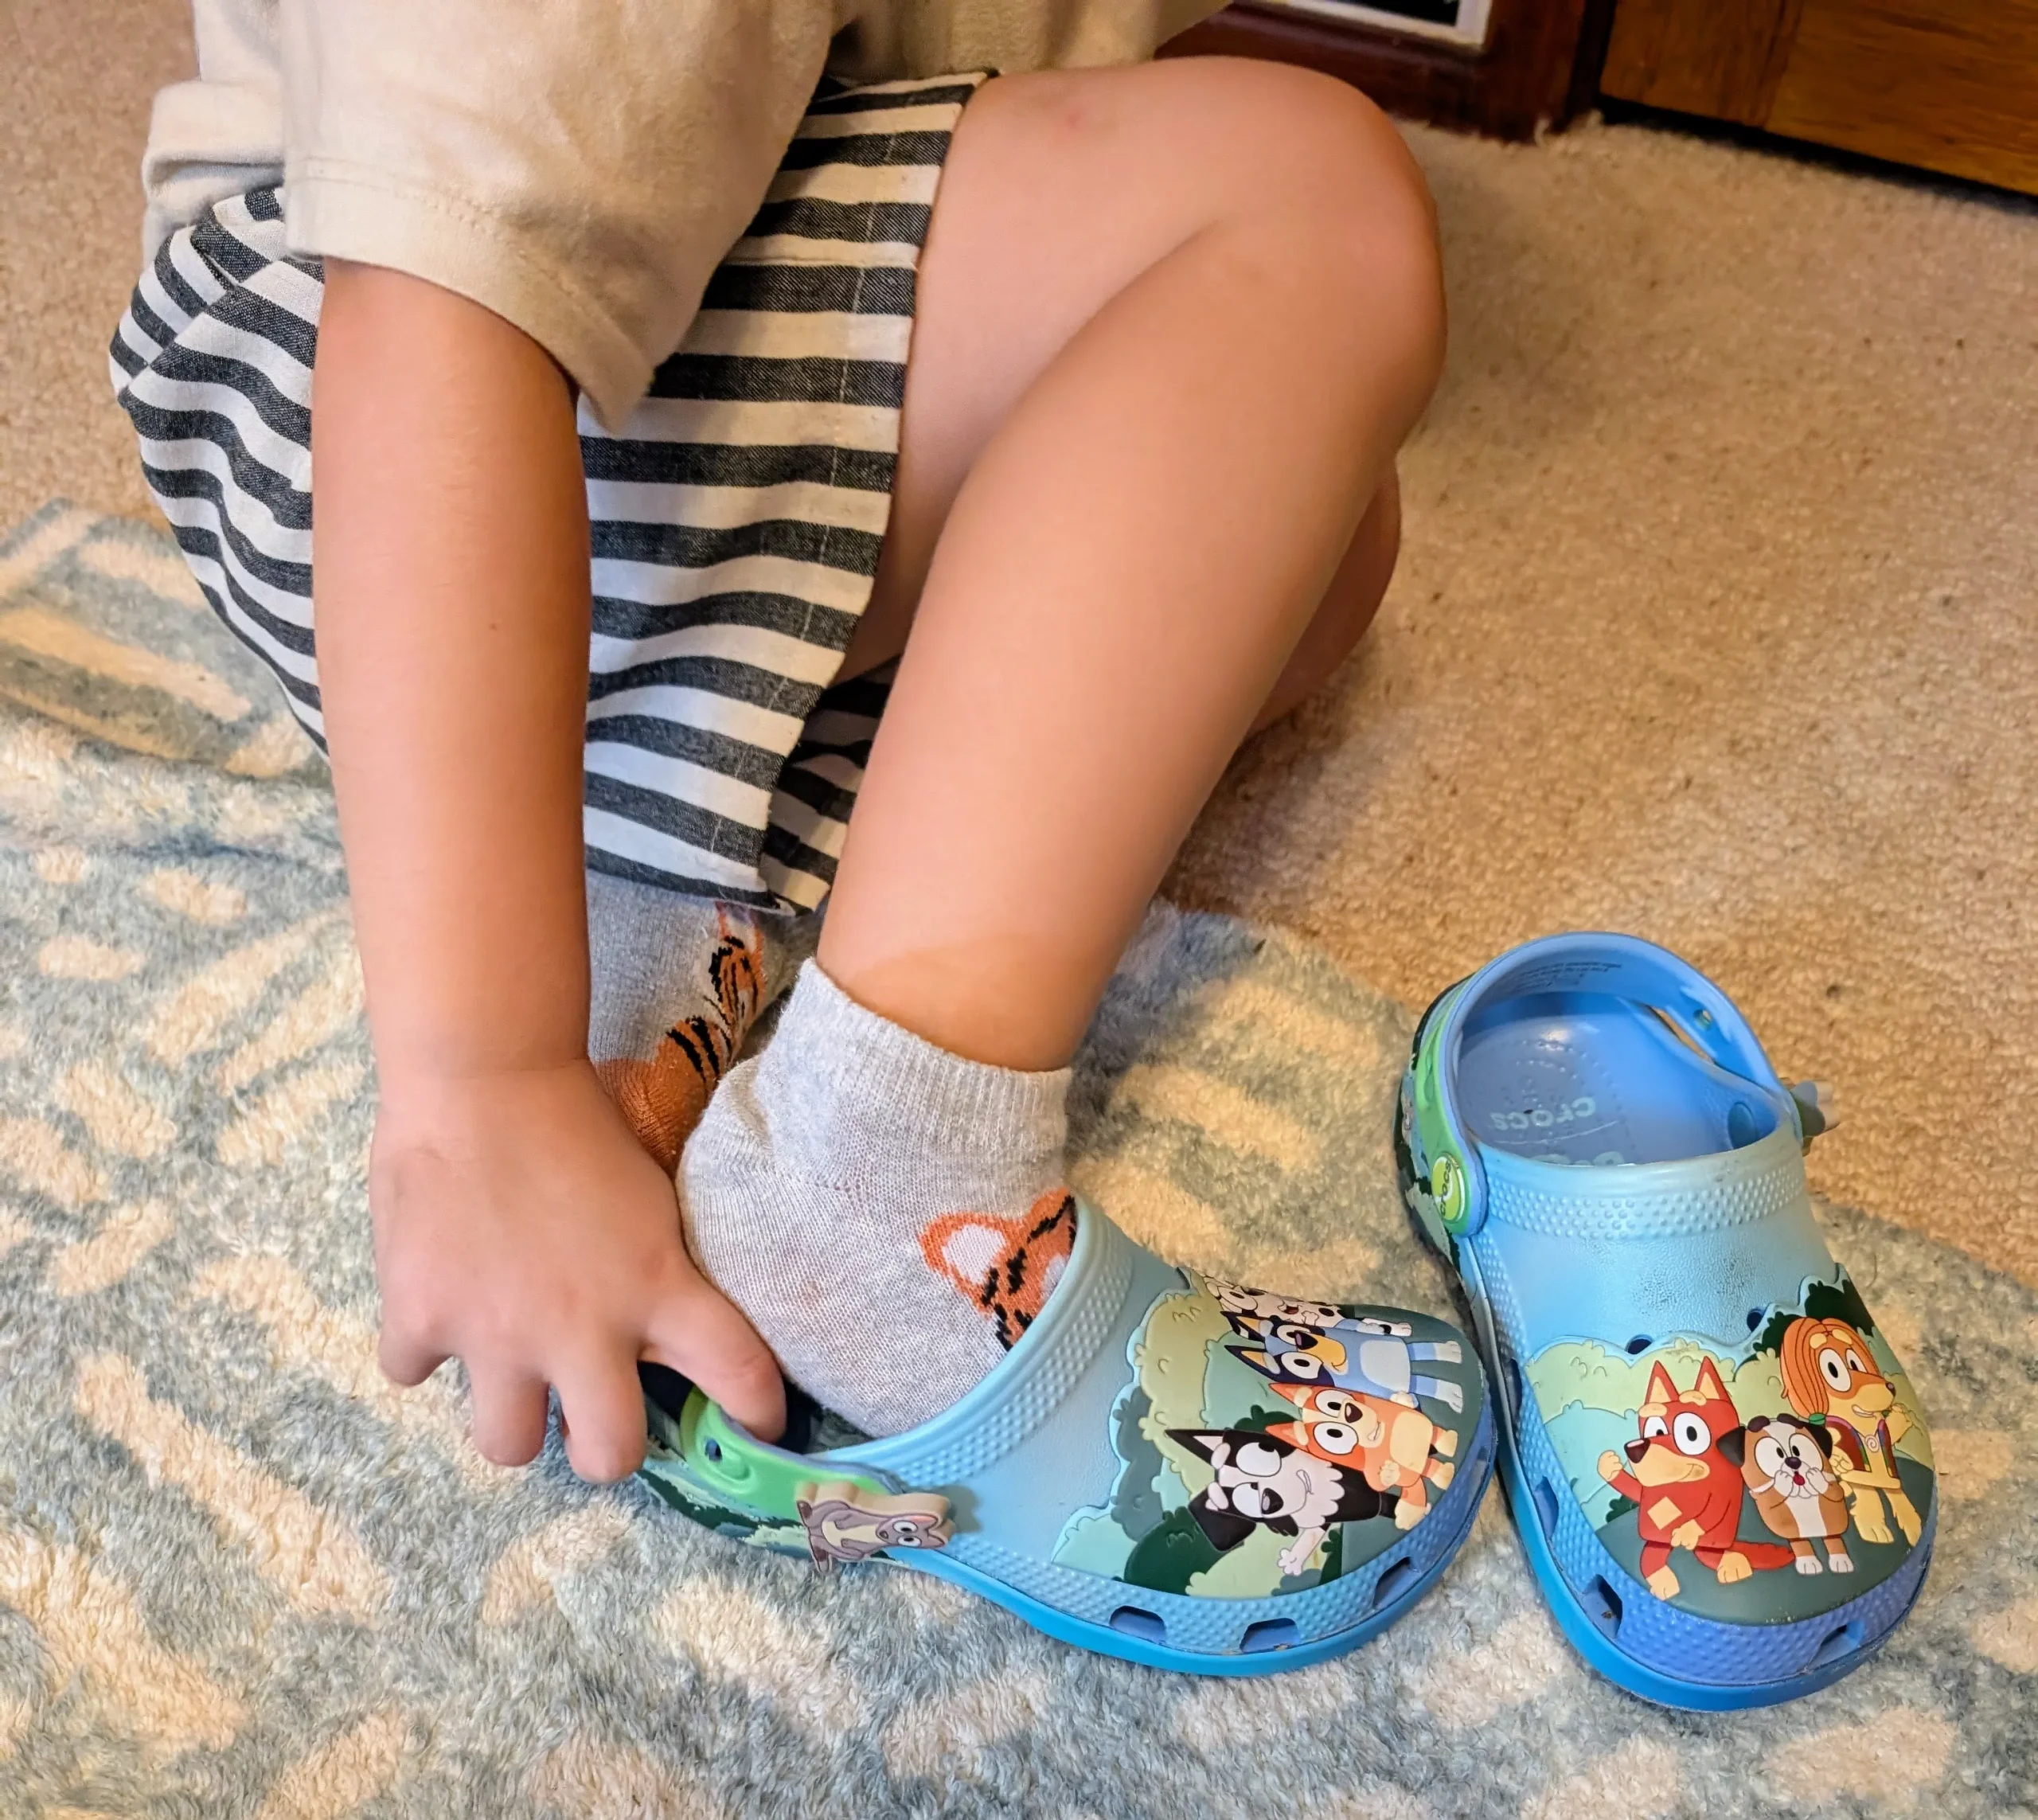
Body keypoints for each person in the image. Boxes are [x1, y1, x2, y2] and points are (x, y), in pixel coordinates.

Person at [115, 2, 1445, 1483]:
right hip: (373, 395)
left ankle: (654, 836)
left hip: (593, 385)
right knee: (1309, 209)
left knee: (1306, 520)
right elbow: (435, 279)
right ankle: (877, 1160)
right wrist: (482, 1086)